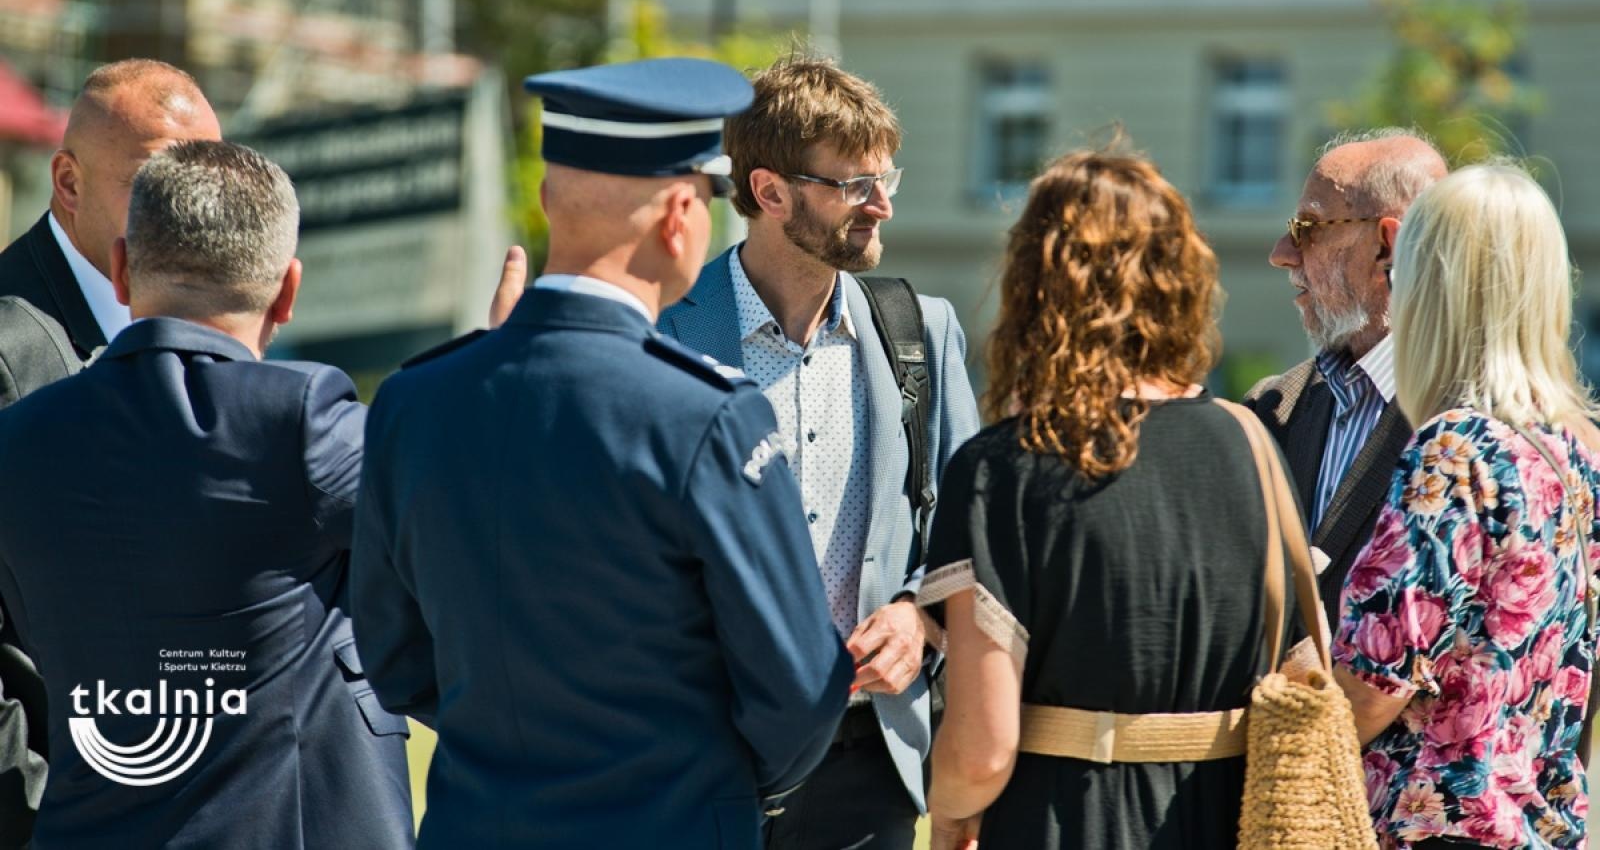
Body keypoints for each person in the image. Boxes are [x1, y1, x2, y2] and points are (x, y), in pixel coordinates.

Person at [352, 58, 854, 849]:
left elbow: (393, 653)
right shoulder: (707, 415)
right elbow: (802, 685)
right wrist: (710, 782)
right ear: (680, 214)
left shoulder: (415, 401)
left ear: (550, 199)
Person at [0, 141, 414, 849]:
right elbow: (471, 525)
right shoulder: (305, 421)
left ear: (123, 270)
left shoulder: (19, 440)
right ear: (288, 289)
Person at [920, 147, 1298, 850]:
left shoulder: (1002, 469)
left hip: (1063, 822)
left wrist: (947, 818)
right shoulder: (1253, 445)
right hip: (1225, 821)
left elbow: (981, 750)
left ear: (1036, 286)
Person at [658, 52, 980, 849]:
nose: (882, 207)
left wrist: (922, 619)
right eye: (853, 186)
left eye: (886, 180)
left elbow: (972, 531)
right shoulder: (661, 333)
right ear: (769, 192)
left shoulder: (920, 332)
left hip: (868, 760)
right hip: (700, 754)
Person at [1333, 163, 1600, 850]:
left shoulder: (1456, 449)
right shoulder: (1573, 455)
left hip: (1436, 827)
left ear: (1435, 292)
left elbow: (1372, 684)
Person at [0, 58, 222, 847]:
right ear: (67, 182)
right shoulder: (8, 350)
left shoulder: (217, 327)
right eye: (158, 183)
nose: (193, 212)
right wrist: (35, 815)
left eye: (210, 180)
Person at [1246, 129, 1448, 625]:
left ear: (1386, 246)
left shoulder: (1478, 421)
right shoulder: (1271, 409)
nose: (1282, 253)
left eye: (1309, 227)